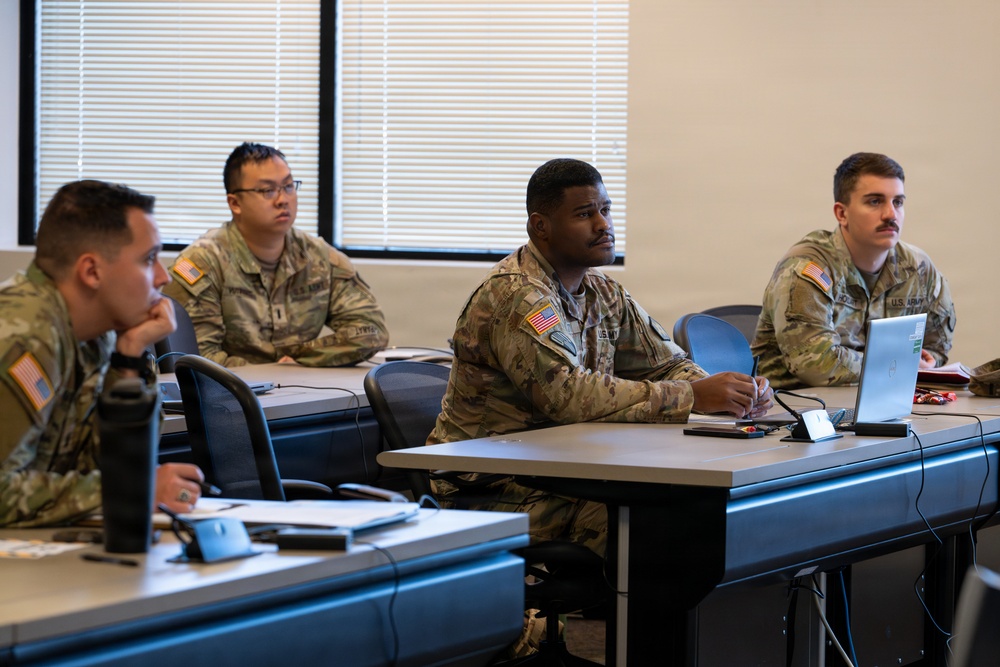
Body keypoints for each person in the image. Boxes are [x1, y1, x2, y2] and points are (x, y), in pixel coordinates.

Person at [428, 158, 774, 558]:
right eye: (584, 214)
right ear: (541, 226)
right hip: (494, 486)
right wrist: (694, 396)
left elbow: (664, 364)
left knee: (698, 508)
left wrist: (731, 393)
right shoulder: (517, 295)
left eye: (605, 210)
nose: (602, 224)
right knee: (659, 523)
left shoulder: (602, 290)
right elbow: (567, 396)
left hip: (565, 467)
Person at [0, 180, 207, 528]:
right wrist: (132, 489)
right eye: (149, 259)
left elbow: (107, 466)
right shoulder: (24, 336)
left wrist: (129, 359)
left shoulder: (100, 336)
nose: (164, 277)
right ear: (92, 271)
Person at [163, 142, 388, 367]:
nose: (283, 199)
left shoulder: (319, 257)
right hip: (231, 388)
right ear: (235, 203)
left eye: (288, 186)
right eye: (267, 190)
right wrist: (275, 373)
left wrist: (300, 359)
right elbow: (196, 360)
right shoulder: (201, 265)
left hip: (303, 384)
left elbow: (372, 332)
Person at [752, 152, 956, 389]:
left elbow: (936, 347)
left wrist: (927, 362)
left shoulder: (918, 269)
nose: (891, 214)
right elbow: (817, 366)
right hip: (796, 405)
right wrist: (899, 363)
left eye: (898, 202)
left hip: (880, 401)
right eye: (875, 201)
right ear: (842, 213)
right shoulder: (808, 268)